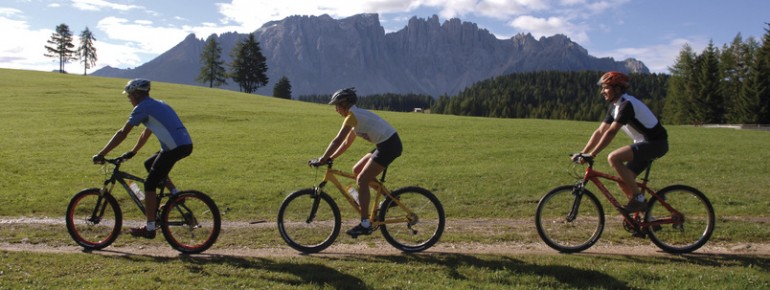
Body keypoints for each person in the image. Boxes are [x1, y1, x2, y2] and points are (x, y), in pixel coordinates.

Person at [92, 78, 193, 239]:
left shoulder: (142, 107)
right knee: (149, 164)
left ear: (137, 94)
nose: (129, 99)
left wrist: (102, 154)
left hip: (174, 148)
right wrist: (133, 152)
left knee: (149, 184)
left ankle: (150, 228)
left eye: (130, 95)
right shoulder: (157, 104)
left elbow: (122, 133)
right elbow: (147, 131)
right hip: (183, 144)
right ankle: (176, 195)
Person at [310, 87, 403, 238]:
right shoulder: (356, 116)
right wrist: (331, 158)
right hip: (385, 144)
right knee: (357, 169)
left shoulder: (353, 116)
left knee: (362, 179)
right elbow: (346, 143)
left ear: (344, 104)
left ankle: (365, 224)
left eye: (337, 106)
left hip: (389, 146)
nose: (336, 110)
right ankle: (389, 199)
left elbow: (337, 140)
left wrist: (322, 158)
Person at [573, 72, 668, 213]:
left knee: (614, 158)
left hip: (655, 143)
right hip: (645, 143)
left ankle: (639, 199)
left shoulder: (626, 105)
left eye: (605, 88)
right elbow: (600, 132)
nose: (602, 91)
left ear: (617, 89)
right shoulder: (615, 107)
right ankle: (646, 220)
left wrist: (592, 155)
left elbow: (611, 132)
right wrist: (583, 152)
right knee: (623, 182)